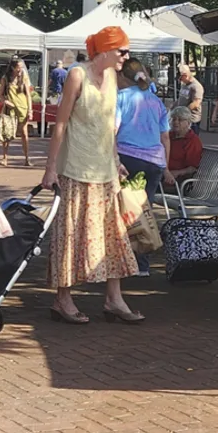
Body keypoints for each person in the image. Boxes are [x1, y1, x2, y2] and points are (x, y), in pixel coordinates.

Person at [41, 25, 142, 324]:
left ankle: (114, 298)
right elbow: (59, 124)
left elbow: (109, 124)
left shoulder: (112, 77)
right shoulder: (77, 75)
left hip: (105, 169)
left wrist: (116, 158)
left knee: (112, 235)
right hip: (75, 167)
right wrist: (50, 168)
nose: (126, 56)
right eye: (122, 51)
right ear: (105, 50)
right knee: (71, 233)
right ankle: (63, 298)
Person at [115, 60, 169, 203]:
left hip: (127, 157)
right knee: (145, 210)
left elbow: (112, 130)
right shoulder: (157, 101)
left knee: (123, 207)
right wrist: (166, 167)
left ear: (121, 75)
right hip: (155, 161)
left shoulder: (120, 98)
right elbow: (165, 137)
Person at [0, 58, 34, 168]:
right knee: (7, 133)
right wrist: (5, 101)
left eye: (21, 67)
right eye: (18, 67)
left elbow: (28, 95)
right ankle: (5, 158)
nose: (20, 69)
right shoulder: (5, 79)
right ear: (12, 67)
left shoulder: (24, 77)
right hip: (10, 108)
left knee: (24, 133)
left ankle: (27, 158)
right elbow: (0, 94)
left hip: (23, 108)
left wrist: (30, 110)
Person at [164, 106, 203, 188]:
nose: (176, 122)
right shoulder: (168, 136)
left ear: (188, 122)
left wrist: (177, 172)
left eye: (180, 120)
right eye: (174, 119)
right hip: (163, 173)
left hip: (178, 179)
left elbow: (192, 168)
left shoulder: (192, 140)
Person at [176, 61, 205, 127]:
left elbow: (196, 103)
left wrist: (183, 111)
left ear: (185, 76)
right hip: (182, 118)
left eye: (181, 78)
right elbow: (181, 99)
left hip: (192, 119)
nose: (181, 81)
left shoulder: (196, 86)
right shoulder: (184, 85)